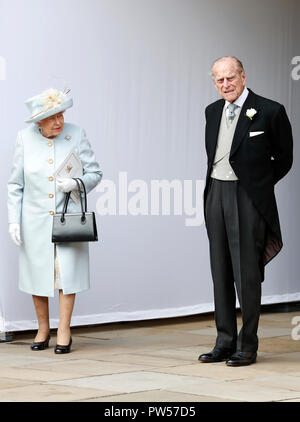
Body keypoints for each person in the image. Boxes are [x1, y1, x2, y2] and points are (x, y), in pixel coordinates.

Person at [199, 56, 293, 366]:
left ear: (242, 76)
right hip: (216, 193)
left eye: (230, 78)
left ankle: (247, 344)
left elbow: (284, 158)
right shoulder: (212, 112)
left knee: (247, 274)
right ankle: (224, 341)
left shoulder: (270, 110)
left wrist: (257, 186)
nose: (225, 85)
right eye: (218, 80)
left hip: (247, 197)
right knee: (220, 270)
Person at [7, 88, 103, 354]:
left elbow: (95, 172)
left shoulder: (76, 133)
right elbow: (16, 184)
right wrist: (13, 220)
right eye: (52, 118)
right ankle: (42, 329)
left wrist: (77, 182)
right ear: (38, 121)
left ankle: (64, 329)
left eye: (61, 115)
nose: (59, 122)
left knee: (66, 275)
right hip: (34, 220)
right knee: (38, 274)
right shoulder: (24, 139)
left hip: (67, 218)